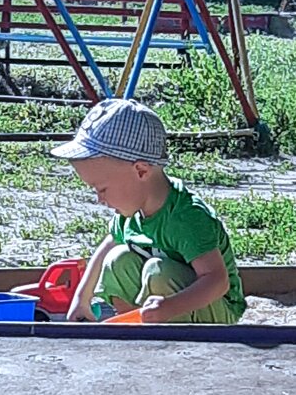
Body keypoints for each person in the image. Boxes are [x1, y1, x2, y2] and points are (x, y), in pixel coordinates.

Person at [52, 97, 246, 324]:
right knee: (118, 260)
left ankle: (165, 333)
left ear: (141, 171)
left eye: (102, 189)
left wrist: (170, 306)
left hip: (217, 311)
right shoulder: (132, 213)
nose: (99, 199)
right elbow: (108, 247)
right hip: (168, 302)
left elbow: (217, 282)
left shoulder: (186, 217)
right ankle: (134, 329)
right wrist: (81, 299)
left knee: (158, 271)